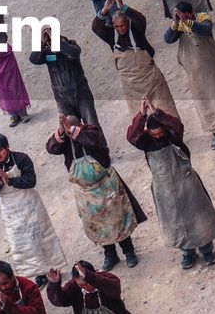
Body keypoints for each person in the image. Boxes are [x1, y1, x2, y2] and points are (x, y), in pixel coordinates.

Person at [127, 101, 215, 268]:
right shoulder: (146, 143)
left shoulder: (173, 136)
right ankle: (187, 253)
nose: (157, 136)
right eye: (153, 134)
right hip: (164, 189)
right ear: (148, 132)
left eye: (159, 132)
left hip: (186, 184)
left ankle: (206, 250)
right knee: (175, 221)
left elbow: (177, 125)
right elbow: (132, 137)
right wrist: (141, 115)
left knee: (198, 217)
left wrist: (157, 113)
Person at [46, 115, 145, 272]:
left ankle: (129, 251)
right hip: (86, 192)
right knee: (99, 226)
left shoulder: (92, 131)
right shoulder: (65, 142)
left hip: (106, 185)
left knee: (118, 219)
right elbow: (51, 148)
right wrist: (61, 132)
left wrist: (74, 131)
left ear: (80, 125)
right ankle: (110, 255)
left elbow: (94, 142)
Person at [0, 134, 67, 283]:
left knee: (40, 236)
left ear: (7, 147)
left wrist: (10, 180)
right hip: (10, 209)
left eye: (0, 150)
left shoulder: (21, 159)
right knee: (22, 241)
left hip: (29, 202)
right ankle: (39, 272)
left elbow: (31, 181)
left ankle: (52, 269)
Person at [164, 3, 215, 148]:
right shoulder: (179, 26)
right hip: (194, 73)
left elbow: (206, 30)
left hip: (211, 68)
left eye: (186, 15)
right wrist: (176, 22)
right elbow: (168, 39)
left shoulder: (203, 18)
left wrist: (187, 21)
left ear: (191, 12)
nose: (184, 18)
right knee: (203, 102)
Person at [92, 0, 179, 119]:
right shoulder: (112, 36)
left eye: (123, 26)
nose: (120, 29)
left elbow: (140, 19)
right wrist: (105, 9)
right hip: (131, 86)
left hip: (150, 80)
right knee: (140, 116)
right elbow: (96, 28)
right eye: (117, 27)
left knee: (165, 110)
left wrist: (123, 7)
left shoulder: (136, 30)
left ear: (127, 23)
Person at [29, 26, 100, 127]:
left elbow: (73, 53)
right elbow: (33, 59)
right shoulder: (47, 54)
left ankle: (99, 143)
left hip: (81, 92)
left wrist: (57, 42)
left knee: (92, 124)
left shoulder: (70, 45)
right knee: (70, 128)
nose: (50, 45)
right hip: (61, 96)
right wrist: (41, 43)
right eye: (48, 43)